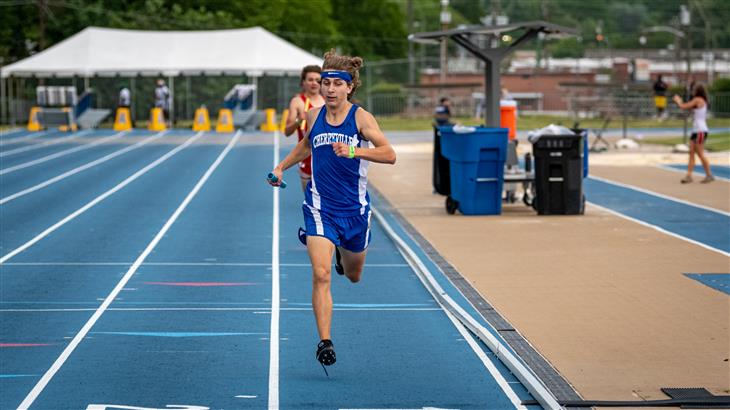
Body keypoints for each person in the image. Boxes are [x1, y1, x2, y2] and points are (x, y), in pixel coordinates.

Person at [268, 49, 396, 374]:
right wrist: (282, 166)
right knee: (320, 274)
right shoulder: (314, 115)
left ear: (349, 86)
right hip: (319, 207)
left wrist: (355, 150)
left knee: (353, 276)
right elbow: (307, 145)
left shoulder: (362, 118)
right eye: (325, 83)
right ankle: (325, 341)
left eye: (336, 83)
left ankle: (343, 254)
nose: (329, 89)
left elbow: (389, 153)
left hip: (354, 211)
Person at [284, 65, 325, 191]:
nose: (314, 83)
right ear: (303, 82)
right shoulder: (298, 101)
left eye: (318, 80)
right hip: (306, 157)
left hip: (326, 156)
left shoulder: (327, 101)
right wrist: (299, 120)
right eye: (310, 79)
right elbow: (287, 131)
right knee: (310, 200)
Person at [672, 83, 714, 184]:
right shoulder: (698, 101)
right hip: (695, 130)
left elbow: (683, 106)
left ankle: (709, 175)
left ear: (698, 91)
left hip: (700, 130)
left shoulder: (698, 99)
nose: (692, 91)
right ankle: (689, 176)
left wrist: (678, 100)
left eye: (694, 89)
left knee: (700, 154)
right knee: (691, 153)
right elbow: (689, 107)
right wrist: (681, 102)